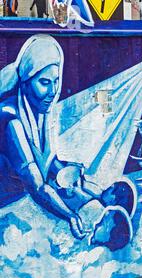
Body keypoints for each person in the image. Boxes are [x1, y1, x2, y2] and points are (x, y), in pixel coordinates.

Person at [0, 35, 88, 239]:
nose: (52, 91)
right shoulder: (10, 121)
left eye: (56, 82)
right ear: (26, 83)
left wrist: (67, 170)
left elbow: (47, 164)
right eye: (44, 83)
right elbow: (36, 184)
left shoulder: (37, 113)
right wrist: (70, 216)